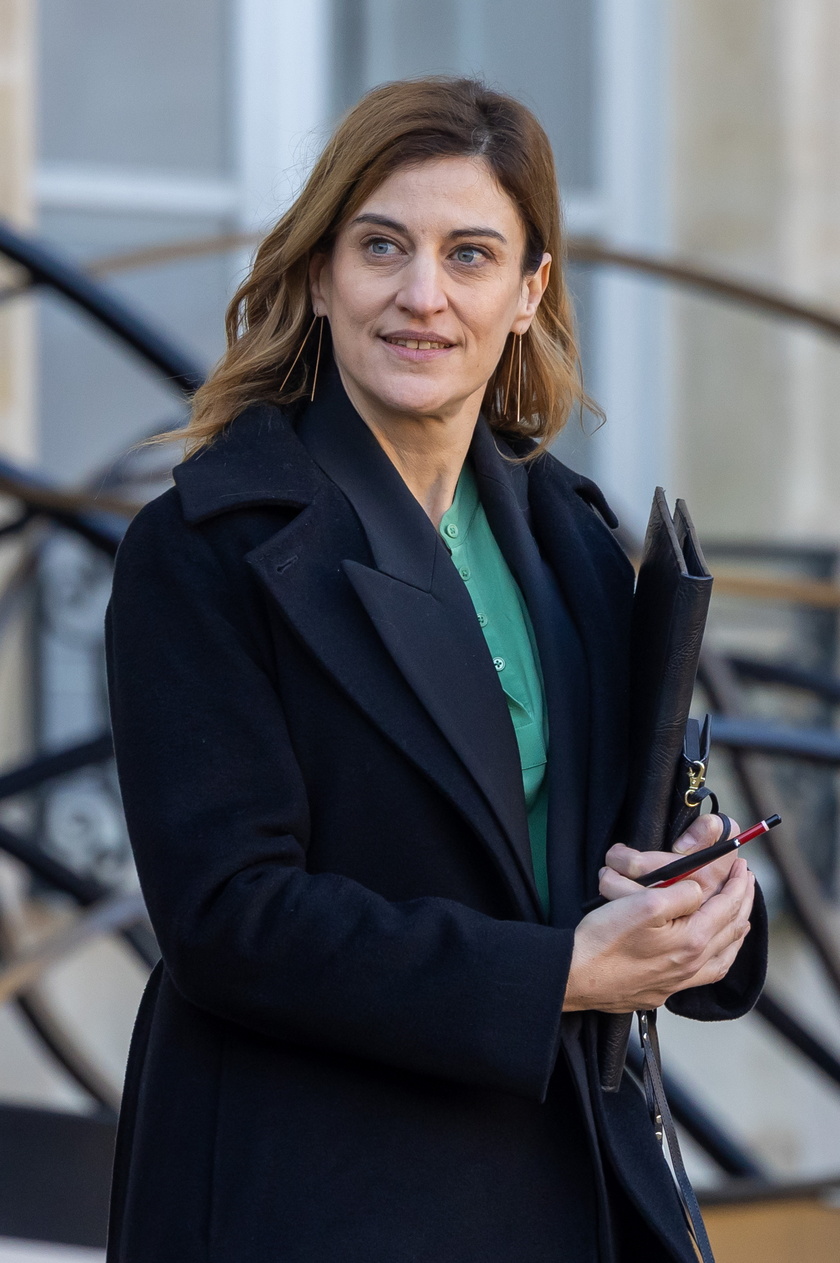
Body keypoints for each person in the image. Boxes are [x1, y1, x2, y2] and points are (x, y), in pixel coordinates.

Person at [105, 77, 765, 1263]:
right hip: (311, 1193)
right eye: (381, 247)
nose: (422, 295)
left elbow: (628, 821)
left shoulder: (570, 534)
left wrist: (712, 905)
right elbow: (227, 917)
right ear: (319, 275)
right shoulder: (207, 547)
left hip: (563, 1184)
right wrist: (557, 972)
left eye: (470, 255)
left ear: (529, 293)